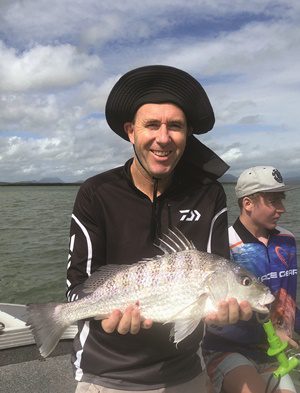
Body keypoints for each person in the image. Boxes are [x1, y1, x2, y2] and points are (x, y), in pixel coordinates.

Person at [66, 65, 252, 393]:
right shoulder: (96, 193)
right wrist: (102, 312)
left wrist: (224, 308)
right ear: (130, 131)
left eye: (175, 126)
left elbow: (220, 268)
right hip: (105, 372)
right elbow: (77, 287)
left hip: (184, 370)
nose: (163, 138)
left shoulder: (209, 194)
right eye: (152, 124)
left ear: (187, 134)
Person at [203, 166, 300, 393]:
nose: (282, 209)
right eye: (273, 201)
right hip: (224, 349)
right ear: (248, 204)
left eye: (281, 200)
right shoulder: (222, 244)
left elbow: (286, 300)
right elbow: (209, 313)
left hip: (273, 350)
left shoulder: (287, 240)